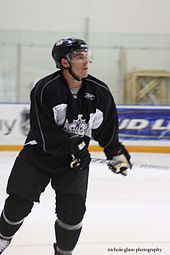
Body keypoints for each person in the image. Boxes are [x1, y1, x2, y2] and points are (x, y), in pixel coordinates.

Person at [0, 38, 132, 255]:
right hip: (37, 157)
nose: (86, 62)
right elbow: (44, 133)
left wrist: (116, 153)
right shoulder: (46, 89)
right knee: (18, 205)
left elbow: (106, 130)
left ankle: (63, 253)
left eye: (87, 56)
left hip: (74, 163)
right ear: (64, 62)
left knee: (72, 213)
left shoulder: (100, 92)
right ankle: (2, 238)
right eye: (80, 57)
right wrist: (72, 146)